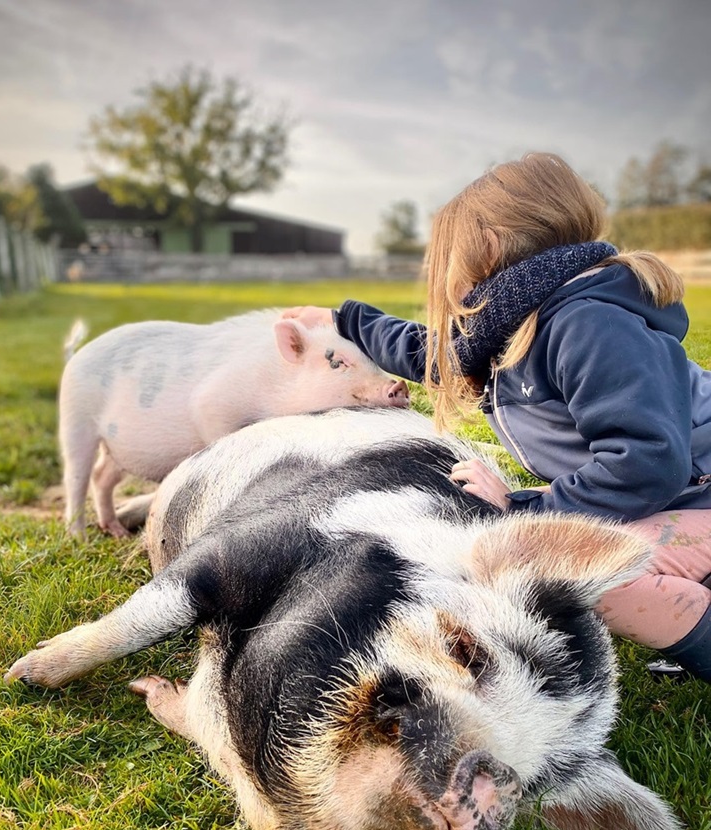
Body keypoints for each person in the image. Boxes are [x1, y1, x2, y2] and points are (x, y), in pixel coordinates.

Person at [283, 151, 711, 683]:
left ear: (489, 246)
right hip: (673, 498)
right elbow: (436, 355)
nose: (450, 279)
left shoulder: (589, 325)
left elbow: (647, 461)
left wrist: (527, 507)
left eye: (451, 258)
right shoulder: (519, 321)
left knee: (570, 570)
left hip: (694, 495)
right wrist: (347, 320)